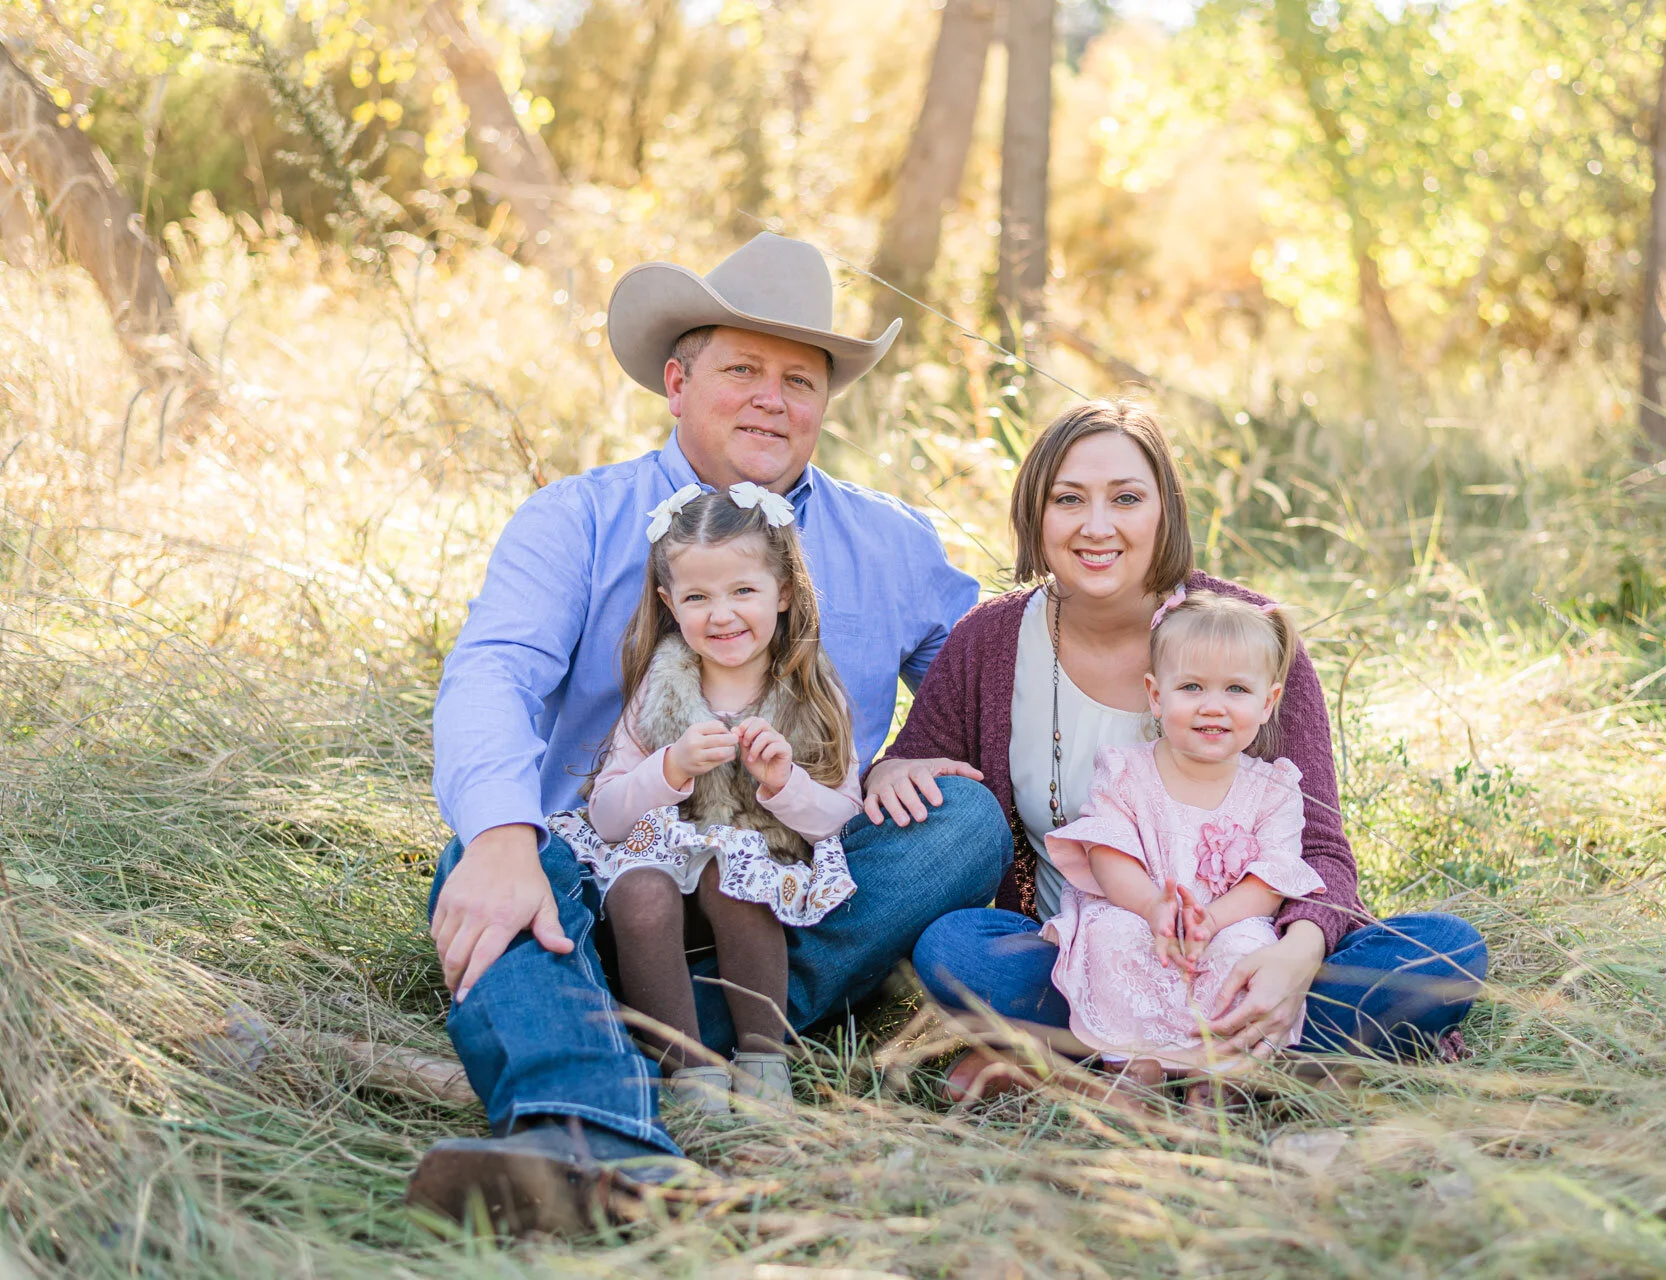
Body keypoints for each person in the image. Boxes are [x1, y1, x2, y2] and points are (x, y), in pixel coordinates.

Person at [410, 233, 1006, 1234]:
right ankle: (591, 1130)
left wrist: (917, 744)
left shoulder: (892, 540)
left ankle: (612, 1023)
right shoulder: (576, 518)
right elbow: (492, 675)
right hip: (609, 874)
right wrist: (507, 837)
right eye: (744, 370)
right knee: (486, 846)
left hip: (784, 881)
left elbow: (987, 670)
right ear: (678, 382)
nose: (774, 398)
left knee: (967, 822)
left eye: (800, 379)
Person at [880, 400, 1487, 1103]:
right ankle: (1251, 1066)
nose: (1097, 526)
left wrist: (1296, 957)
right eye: (1068, 499)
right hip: (1089, 960)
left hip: (1243, 956)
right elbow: (913, 760)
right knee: (954, 950)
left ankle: (1113, 1060)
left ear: (1163, 510)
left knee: (1445, 951)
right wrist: (894, 769)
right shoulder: (988, 642)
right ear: (1034, 515)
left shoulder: (1246, 638)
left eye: (1127, 498)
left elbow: (1320, 852)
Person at [549, 483, 862, 1116]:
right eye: (698, 597)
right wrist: (670, 766)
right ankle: (689, 1073)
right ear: (670, 603)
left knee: (731, 873)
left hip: (750, 887)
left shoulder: (810, 692)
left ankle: (762, 1059)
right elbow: (607, 817)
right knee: (640, 890)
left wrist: (783, 785)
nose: (721, 616)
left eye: (743, 591)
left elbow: (842, 818)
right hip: (655, 874)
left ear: (784, 591)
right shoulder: (662, 688)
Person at [1041, 589, 1328, 1102]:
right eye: (1191, 686)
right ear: (1156, 695)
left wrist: (1211, 920)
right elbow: (1108, 853)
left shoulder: (1275, 787)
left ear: (1268, 702)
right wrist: (1154, 906)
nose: (1212, 706)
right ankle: (1134, 1062)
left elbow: (1270, 882)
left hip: (1226, 922)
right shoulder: (1125, 770)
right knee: (1110, 935)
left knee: (1249, 949)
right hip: (1139, 914)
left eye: (1236, 689)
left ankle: (1218, 1073)